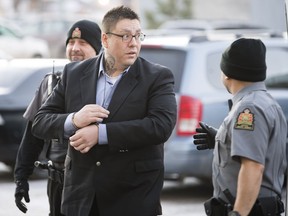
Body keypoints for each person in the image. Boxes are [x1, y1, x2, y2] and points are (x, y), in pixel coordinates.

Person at [31, 5, 177, 216]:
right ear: (105, 39)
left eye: (138, 36)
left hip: (132, 198)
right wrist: (74, 119)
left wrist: (100, 134)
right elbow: (40, 121)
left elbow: (160, 126)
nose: (134, 43)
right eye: (125, 36)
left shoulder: (157, 76)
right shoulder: (74, 73)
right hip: (81, 199)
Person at [14, 19, 102, 215]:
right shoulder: (51, 82)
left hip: (92, 184)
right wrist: (21, 177)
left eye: (83, 43)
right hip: (57, 182)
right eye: (71, 42)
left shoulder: (106, 85)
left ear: (98, 49)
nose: (75, 48)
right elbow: (32, 135)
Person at [193, 38, 287, 216]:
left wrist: (239, 213)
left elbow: (253, 166)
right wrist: (221, 140)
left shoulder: (249, 108)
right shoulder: (266, 102)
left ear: (227, 73)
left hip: (250, 211)